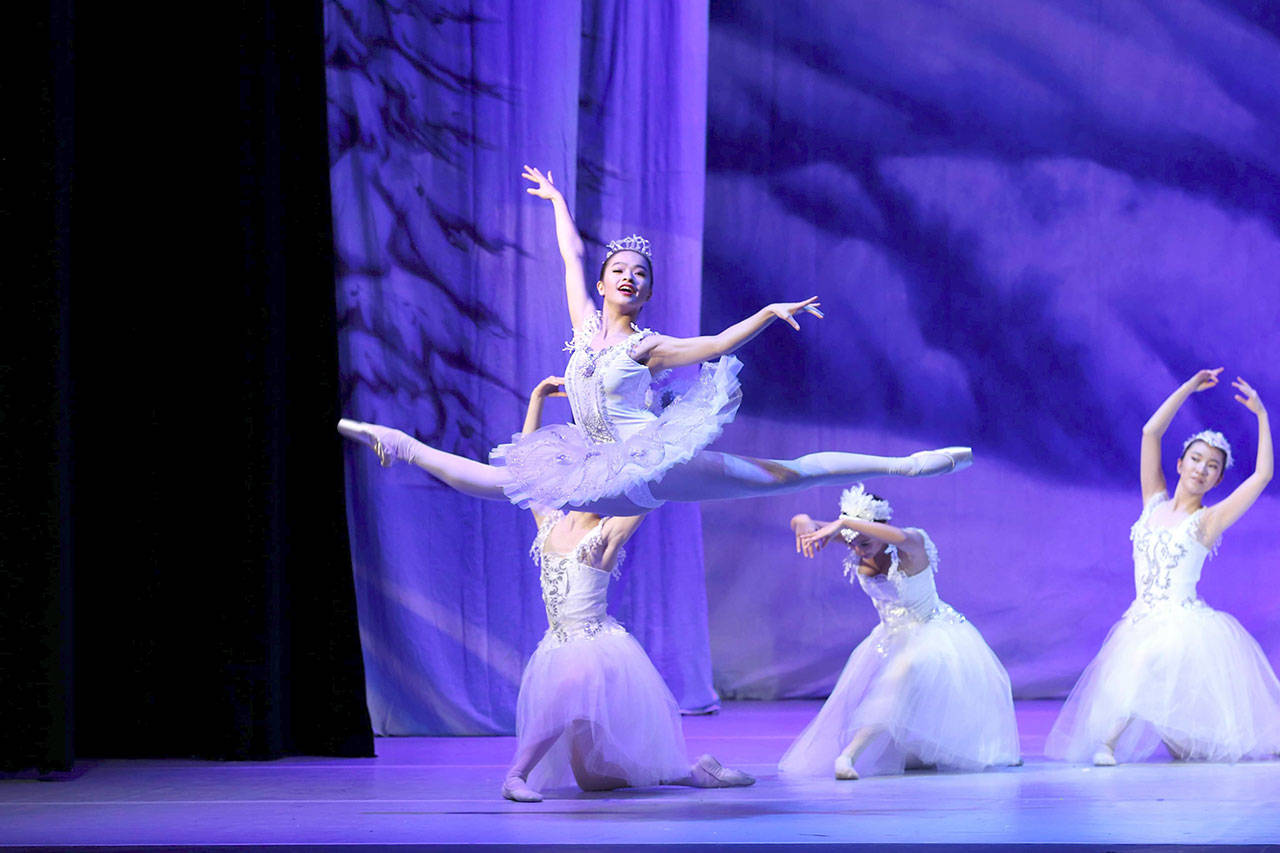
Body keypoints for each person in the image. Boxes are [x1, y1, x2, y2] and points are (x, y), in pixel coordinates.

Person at [338, 165, 970, 514]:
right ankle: (398, 442)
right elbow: (570, 256)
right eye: (620, 270)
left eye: (640, 274)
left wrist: (767, 311)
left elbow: (717, 345)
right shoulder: (584, 326)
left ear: (645, 293)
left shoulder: (647, 346)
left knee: (785, 476)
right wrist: (556, 200)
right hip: (594, 461)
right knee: (501, 481)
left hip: (653, 459)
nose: (629, 277)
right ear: (605, 284)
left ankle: (909, 465)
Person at [501, 377, 754, 802]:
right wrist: (536, 399)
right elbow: (525, 467)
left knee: (569, 684)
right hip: (556, 645)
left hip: (593, 649)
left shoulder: (607, 532)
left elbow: (654, 479)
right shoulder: (549, 522)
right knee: (594, 779)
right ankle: (690, 772)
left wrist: (665, 428)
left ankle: (515, 775)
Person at [1045, 369, 1280, 765]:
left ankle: (1107, 743)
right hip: (1140, 618)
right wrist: (1187, 388)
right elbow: (1150, 432)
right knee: (1180, 738)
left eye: (1212, 466)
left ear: (1217, 479)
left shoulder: (1208, 521)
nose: (1201, 469)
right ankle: (1163, 739)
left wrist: (1262, 416)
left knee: (1147, 662)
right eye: (1196, 459)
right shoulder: (1153, 501)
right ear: (1181, 463)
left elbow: (1262, 476)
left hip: (1181, 623)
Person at [777, 485, 1020, 779]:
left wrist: (845, 523)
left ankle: (849, 756)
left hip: (933, 632)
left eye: (863, 541)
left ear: (879, 529)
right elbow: (802, 521)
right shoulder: (858, 538)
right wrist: (803, 520)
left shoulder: (912, 543)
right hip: (890, 636)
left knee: (899, 676)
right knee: (890, 692)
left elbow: (899, 536)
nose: (857, 549)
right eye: (851, 542)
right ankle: (904, 752)